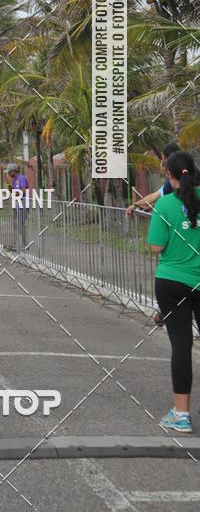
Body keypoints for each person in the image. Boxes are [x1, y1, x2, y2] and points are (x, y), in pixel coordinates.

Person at [148, 151, 200, 433]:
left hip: (172, 282)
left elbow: (156, 247)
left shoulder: (166, 204)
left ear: (169, 176)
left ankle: (181, 414)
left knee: (181, 345)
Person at [127, 141, 181, 216]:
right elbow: (154, 196)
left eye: (162, 158)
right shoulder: (171, 182)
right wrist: (136, 204)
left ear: (165, 158)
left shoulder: (176, 179)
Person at [6, 162, 29, 251]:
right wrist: (9, 185)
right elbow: (12, 191)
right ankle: (15, 243)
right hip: (17, 204)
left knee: (21, 224)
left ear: (14, 171)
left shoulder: (21, 178)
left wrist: (15, 193)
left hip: (23, 204)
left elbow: (23, 190)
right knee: (15, 224)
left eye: (9, 172)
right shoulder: (14, 180)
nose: (8, 174)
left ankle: (24, 244)